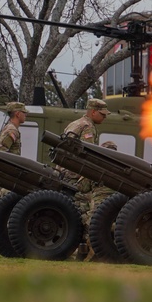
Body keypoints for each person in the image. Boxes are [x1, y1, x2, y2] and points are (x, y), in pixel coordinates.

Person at [61, 98, 111, 259]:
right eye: (102, 114)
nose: (105, 117)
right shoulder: (88, 126)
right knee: (83, 212)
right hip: (74, 176)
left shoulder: (75, 124)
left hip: (64, 172)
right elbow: (86, 155)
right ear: (93, 112)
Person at [0, 101, 27, 202]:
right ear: (18, 114)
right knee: (2, 204)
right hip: (6, 176)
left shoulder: (9, 128)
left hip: (6, 175)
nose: (26, 115)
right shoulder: (12, 130)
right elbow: (0, 153)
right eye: (24, 112)